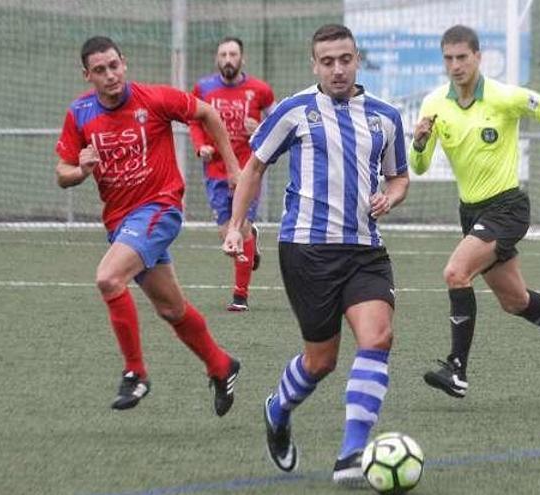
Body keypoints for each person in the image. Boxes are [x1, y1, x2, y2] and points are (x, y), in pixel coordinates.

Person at [222, 24, 409, 486]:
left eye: (345, 59)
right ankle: (278, 408)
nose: (338, 69)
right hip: (307, 250)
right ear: (315, 65)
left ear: (357, 59)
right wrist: (235, 225)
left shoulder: (385, 116)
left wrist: (392, 196)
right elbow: (254, 166)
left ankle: (350, 454)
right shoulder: (295, 110)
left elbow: (399, 176)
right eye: (328, 62)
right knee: (321, 361)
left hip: (366, 249)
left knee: (378, 337)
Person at [55, 36, 241, 416]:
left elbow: (206, 113)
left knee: (108, 278)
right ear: (87, 75)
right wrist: (81, 170)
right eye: (100, 70)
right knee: (172, 309)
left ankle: (136, 373)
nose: (110, 75)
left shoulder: (153, 99)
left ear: (124, 62)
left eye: (114, 66)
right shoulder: (79, 113)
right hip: (121, 221)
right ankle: (221, 365)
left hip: (160, 208)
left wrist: (234, 167)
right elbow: (62, 173)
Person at [410, 25, 540, 399]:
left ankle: (457, 370)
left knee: (455, 272)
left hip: (507, 207)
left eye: (463, 57)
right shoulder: (434, 104)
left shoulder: (501, 96)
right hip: (471, 212)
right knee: (516, 302)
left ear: (478, 57)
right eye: (449, 58)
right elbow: (420, 167)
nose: (456, 65)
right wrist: (418, 143)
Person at [189, 36, 275, 312]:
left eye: (233, 54)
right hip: (215, 170)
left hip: (249, 169)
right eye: (223, 54)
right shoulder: (202, 89)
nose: (228, 59)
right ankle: (252, 244)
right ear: (217, 59)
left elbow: (277, 124)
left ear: (242, 59)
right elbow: (194, 121)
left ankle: (240, 296)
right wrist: (200, 145)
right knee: (227, 234)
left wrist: (259, 128)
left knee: (242, 230)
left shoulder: (260, 90)